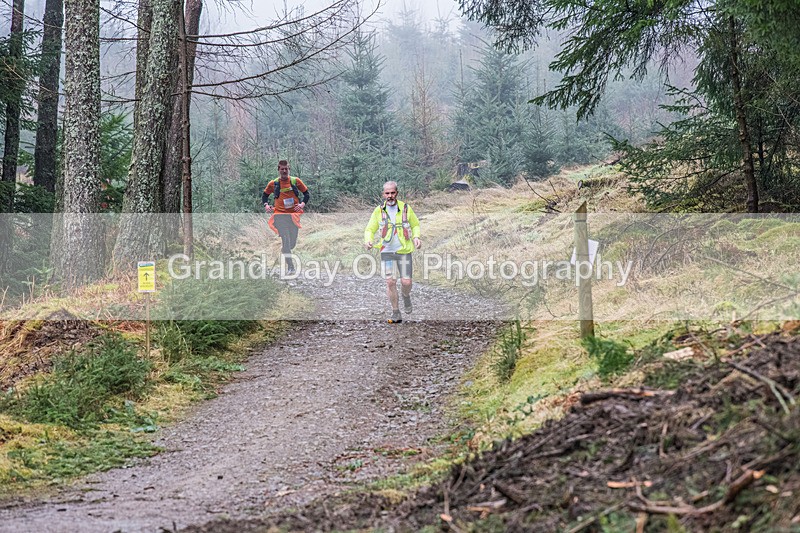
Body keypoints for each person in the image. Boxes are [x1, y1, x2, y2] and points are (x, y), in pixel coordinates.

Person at [364, 181, 421, 323]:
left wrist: (416, 237)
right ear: (383, 194)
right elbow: (370, 229)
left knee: (406, 282)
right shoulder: (378, 211)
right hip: (386, 251)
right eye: (387, 193)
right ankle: (396, 312)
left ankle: (406, 296)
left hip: (404, 250)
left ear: (397, 193)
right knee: (390, 282)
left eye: (392, 193)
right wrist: (368, 240)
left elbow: (415, 225)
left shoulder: (406, 208)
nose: (390, 196)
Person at [262, 160, 309, 274]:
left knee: (292, 243)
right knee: (286, 240)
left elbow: (307, 194)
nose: (284, 171)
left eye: (286, 169)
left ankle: (286, 250)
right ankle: (291, 267)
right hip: (280, 216)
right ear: (278, 170)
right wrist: (266, 205)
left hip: (293, 216)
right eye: (282, 169)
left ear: (289, 169)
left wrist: (302, 204)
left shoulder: (295, 181)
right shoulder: (273, 183)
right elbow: (265, 195)